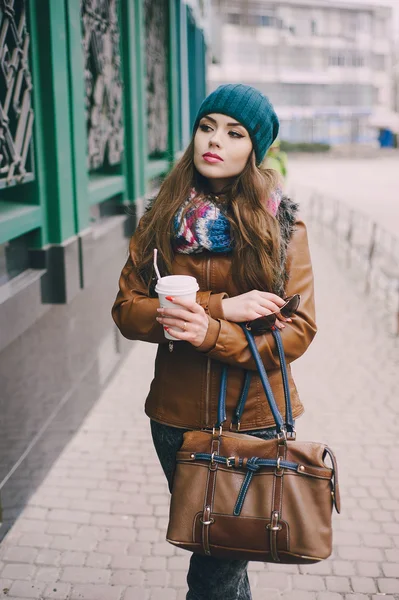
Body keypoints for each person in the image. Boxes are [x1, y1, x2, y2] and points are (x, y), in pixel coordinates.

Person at [112, 83, 317, 600]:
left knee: (218, 565)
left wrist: (213, 335)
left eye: (235, 132)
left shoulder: (282, 227)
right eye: (208, 126)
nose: (216, 140)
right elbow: (127, 310)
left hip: (254, 417)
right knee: (214, 548)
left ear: (255, 149)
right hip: (175, 419)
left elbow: (298, 330)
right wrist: (217, 309)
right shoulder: (160, 218)